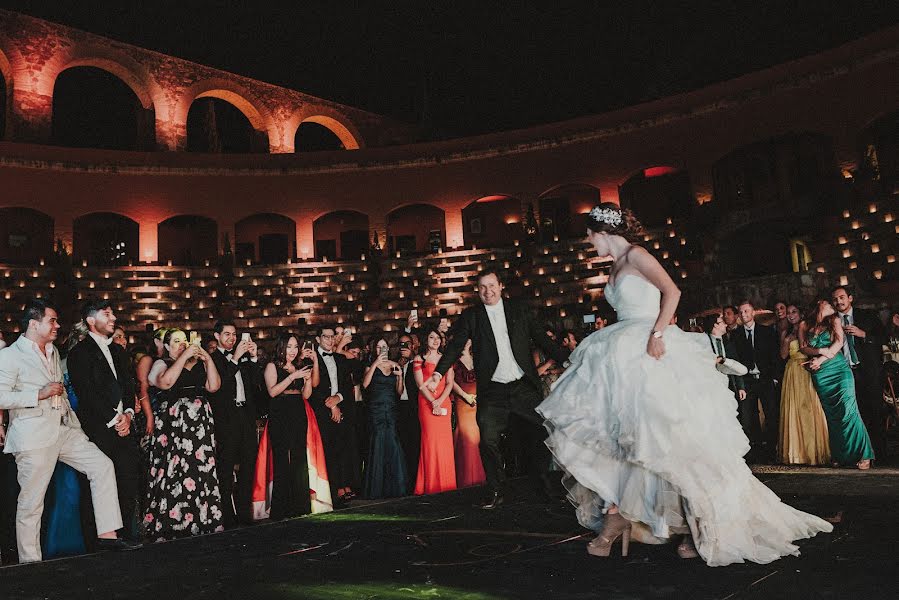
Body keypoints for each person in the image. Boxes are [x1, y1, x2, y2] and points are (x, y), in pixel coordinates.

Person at [536, 204, 832, 566]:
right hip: (621, 353)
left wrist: (658, 333)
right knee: (623, 436)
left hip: (649, 346)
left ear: (602, 232)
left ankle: (700, 524)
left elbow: (672, 292)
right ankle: (617, 514)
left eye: (589, 235)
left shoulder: (637, 254)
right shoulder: (614, 265)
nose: (588, 241)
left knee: (671, 439)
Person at [0, 299, 135, 563]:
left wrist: (73, 423)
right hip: (34, 437)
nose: (58, 325)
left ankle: (107, 534)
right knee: (31, 503)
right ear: (33, 323)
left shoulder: (51, 351)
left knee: (102, 465)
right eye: (52, 320)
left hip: (66, 430)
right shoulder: (9, 355)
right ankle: (30, 563)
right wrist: (38, 394)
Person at [426, 270, 568, 509]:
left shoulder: (519, 310)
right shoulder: (472, 316)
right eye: (482, 287)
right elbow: (455, 346)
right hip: (493, 391)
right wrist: (438, 373)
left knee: (540, 436)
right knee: (488, 441)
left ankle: (547, 488)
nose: (488, 291)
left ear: (500, 286)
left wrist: (567, 361)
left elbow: (543, 339)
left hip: (523, 387)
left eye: (492, 286)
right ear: (477, 290)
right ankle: (496, 490)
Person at [67, 299, 142, 545]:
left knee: (128, 480)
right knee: (98, 484)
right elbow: (86, 394)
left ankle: (126, 535)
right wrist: (114, 419)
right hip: (100, 429)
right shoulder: (78, 353)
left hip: (125, 426)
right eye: (106, 314)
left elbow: (129, 385)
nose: (113, 319)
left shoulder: (120, 351)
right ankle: (97, 541)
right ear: (91, 320)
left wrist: (129, 414)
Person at [145, 329, 224, 540]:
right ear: (167, 346)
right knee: (174, 469)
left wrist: (206, 358)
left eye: (184, 341)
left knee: (200, 469)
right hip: (174, 423)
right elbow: (165, 383)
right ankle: (172, 524)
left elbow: (214, 386)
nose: (181, 344)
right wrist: (183, 358)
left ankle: (202, 521)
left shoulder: (198, 364)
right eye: (176, 341)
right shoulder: (162, 364)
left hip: (199, 423)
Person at [800, 300, 874, 469]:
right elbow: (804, 348)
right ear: (819, 304)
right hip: (821, 375)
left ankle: (864, 454)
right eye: (829, 304)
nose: (833, 307)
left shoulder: (834, 320)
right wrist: (819, 351)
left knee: (849, 411)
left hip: (839, 370)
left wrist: (821, 358)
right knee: (832, 416)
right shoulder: (805, 324)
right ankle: (841, 455)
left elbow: (839, 343)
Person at [209, 321, 262, 528]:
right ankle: (226, 515)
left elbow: (257, 384)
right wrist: (235, 358)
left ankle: (244, 511)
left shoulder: (244, 359)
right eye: (227, 334)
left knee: (249, 464)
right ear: (217, 335)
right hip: (226, 419)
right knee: (226, 466)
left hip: (245, 416)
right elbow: (220, 387)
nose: (232, 338)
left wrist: (254, 357)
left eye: (234, 334)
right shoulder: (213, 359)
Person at [831, 286, 887, 458]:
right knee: (857, 414)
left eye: (842, 297)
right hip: (847, 373)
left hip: (869, 371)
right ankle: (863, 453)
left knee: (876, 411)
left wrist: (864, 334)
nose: (839, 301)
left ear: (850, 298)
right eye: (835, 299)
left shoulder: (867, 316)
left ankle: (881, 453)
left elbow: (883, 338)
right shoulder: (831, 321)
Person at [263, 334, 315, 519]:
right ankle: (281, 508)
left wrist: (307, 380)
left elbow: (306, 395)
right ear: (281, 347)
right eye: (289, 347)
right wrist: (293, 375)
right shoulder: (272, 366)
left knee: (299, 457)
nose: (293, 351)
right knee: (282, 459)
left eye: (295, 347)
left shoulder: (300, 366)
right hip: (280, 412)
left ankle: (300, 506)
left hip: (298, 411)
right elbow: (272, 391)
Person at [309, 326, 359, 505]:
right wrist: (331, 406)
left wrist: (338, 399)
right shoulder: (312, 358)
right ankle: (332, 488)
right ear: (318, 339)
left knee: (342, 447)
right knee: (327, 448)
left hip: (341, 407)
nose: (329, 340)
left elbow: (347, 385)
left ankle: (343, 484)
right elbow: (315, 389)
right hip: (322, 410)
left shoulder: (340, 358)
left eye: (332, 337)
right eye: (325, 337)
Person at [778, 303, 830, 465]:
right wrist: (787, 340)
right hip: (792, 371)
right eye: (788, 313)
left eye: (794, 312)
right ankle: (797, 453)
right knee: (794, 409)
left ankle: (813, 452)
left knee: (810, 408)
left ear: (801, 314)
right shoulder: (785, 333)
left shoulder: (808, 329)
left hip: (807, 369)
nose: (791, 315)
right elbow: (783, 355)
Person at [732, 300, 780, 461]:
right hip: (748, 381)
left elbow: (774, 355)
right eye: (741, 312)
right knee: (749, 416)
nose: (744, 314)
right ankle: (756, 449)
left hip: (766, 379)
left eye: (746, 311)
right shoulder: (736, 334)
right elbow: (736, 359)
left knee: (771, 414)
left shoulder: (767, 331)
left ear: (753, 313)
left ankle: (772, 449)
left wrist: (774, 377)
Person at [361, 337, 408, 498]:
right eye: (379, 347)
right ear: (375, 350)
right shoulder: (369, 366)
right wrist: (375, 364)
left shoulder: (395, 365)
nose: (382, 350)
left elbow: (400, 392)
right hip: (376, 410)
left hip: (391, 409)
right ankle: (376, 488)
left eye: (385, 346)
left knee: (393, 444)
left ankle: (395, 487)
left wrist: (400, 376)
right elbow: (365, 385)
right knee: (379, 442)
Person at [414, 326, 456, 495]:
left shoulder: (447, 358)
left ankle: (447, 484)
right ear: (426, 340)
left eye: (438, 338)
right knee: (430, 443)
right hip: (426, 404)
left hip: (444, 402)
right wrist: (433, 403)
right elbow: (420, 385)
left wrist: (440, 401)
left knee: (445, 444)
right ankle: (430, 484)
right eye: (432, 337)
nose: (436, 340)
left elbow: (450, 383)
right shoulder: (419, 358)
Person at [450, 339, 486, 488]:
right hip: (463, 401)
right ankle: (465, 478)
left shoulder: (477, 356)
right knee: (466, 436)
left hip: (478, 401)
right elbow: (450, 381)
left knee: (478, 436)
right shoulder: (454, 359)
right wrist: (465, 396)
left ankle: (479, 476)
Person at [395, 333, 420, 492]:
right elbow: (398, 391)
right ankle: (407, 482)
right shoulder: (398, 364)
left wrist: (411, 359)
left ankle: (416, 479)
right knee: (403, 444)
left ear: (413, 346)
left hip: (414, 408)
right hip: (400, 408)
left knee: (415, 444)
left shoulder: (417, 362)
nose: (404, 347)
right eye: (401, 344)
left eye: (407, 344)